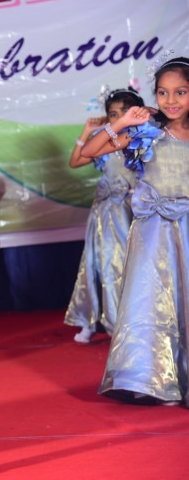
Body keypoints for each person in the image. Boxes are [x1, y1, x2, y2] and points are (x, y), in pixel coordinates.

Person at [81, 56, 189, 405]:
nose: (170, 100)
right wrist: (123, 121)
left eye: (181, 92)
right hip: (152, 234)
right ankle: (152, 379)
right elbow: (90, 150)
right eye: (163, 92)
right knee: (149, 303)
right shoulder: (145, 132)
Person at [64, 88, 143, 343]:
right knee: (101, 264)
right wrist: (87, 131)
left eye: (125, 112)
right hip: (107, 214)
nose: (119, 118)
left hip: (137, 212)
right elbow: (75, 162)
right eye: (113, 114)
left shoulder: (145, 137)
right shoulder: (104, 142)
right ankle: (93, 319)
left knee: (134, 266)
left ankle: (132, 321)